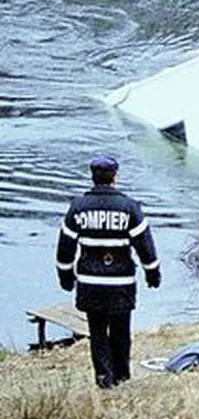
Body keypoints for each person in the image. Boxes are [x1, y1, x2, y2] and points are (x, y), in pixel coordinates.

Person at [55, 155, 161, 389]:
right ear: (115, 177)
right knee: (121, 332)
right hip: (121, 283)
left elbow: (65, 248)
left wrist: (65, 276)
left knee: (98, 333)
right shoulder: (129, 207)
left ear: (93, 177)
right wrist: (152, 274)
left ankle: (104, 379)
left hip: (90, 284)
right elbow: (146, 247)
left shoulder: (77, 208)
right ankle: (122, 378)